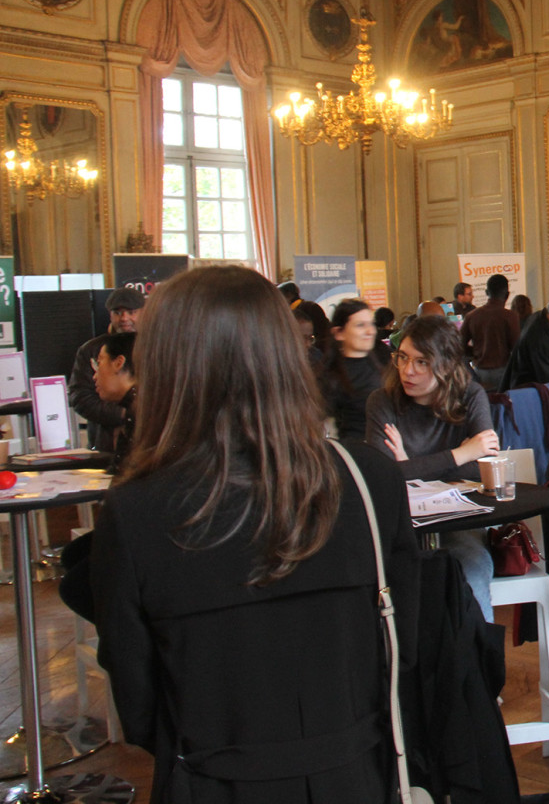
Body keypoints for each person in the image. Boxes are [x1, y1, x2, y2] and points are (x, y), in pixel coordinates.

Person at [91, 265, 418, 804]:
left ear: (168, 366)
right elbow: (400, 643)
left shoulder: (135, 512)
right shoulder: (368, 479)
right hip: (357, 772)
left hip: (213, 782)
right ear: (285, 357)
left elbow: (138, 702)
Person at [366, 314, 499, 618]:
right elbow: (384, 478)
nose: (407, 371)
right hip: (402, 529)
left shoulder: (470, 396)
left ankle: (476, 662)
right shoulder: (382, 402)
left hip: (460, 524)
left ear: (447, 365)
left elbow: (486, 469)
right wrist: (461, 454)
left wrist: (410, 466)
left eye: (422, 362)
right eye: (402, 358)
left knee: (471, 568)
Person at [70, 287, 143, 451]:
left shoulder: (157, 348)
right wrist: (123, 414)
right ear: (110, 314)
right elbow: (80, 396)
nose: (124, 318)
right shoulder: (90, 350)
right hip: (105, 442)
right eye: (118, 312)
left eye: (131, 312)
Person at [317, 299, 389, 441]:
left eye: (371, 324)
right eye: (360, 325)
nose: (370, 331)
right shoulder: (329, 376)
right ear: (338, 332)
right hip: (355, 451)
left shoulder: (382, 360)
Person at [459, 273, 521, 391]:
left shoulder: (472, 316)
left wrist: (475, 352)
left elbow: (458, 345)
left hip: (479, 371)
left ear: (487, 293)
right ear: (507, 295)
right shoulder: (511, 316)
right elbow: (516, 348)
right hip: (503, 371)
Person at [91, 331, 137, 468]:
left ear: (118, 363)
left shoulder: (143, 412)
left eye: (99, 363)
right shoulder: (137, 405)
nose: (94, 376)